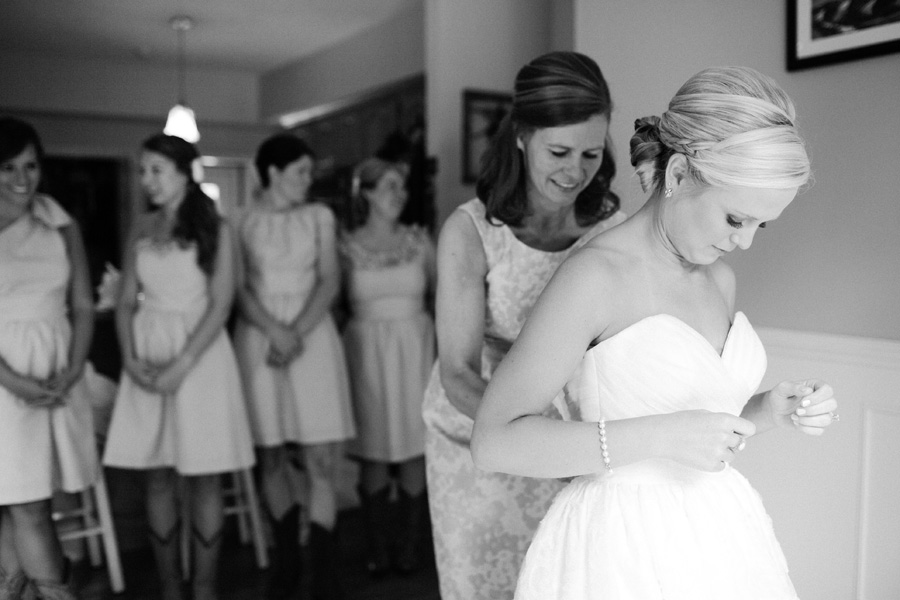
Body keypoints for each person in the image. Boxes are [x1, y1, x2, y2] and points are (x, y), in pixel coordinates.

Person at [471, 66, 840, 599]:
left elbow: (701, 426)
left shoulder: (720, 279)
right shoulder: (594, 278)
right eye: (736, 218)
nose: (746, 243)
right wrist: (661, 435)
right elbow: (494, 440)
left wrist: (765, 413)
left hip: (719, 538)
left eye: (764, 224)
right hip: (619, 551)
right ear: (680, 174)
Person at [421, 51, 627, 600]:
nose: (575, 171)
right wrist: (534, 441)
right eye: (558, 151)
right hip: (476, 434)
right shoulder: (471, 231)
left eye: (590, 153)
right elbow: (458, 370)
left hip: (577, 442)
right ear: (521, 137)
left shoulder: (611, 227)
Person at [103, 133, 254, 600]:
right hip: (147, 350)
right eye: (143, 171)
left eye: (155, 170)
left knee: (205, 474)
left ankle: (204, 588)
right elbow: (127, 299)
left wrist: (182, 365)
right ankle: (171, 586)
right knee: (157, 472)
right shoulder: (142, 226)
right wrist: (129, 356)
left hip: (201, 355)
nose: (146, 180)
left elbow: (222, 302)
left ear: (185, 172)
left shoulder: (219, 228)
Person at [233, 133, 354, 600]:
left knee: (323, 459)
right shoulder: (240, 220)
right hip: (260, 337)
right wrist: (273, 331)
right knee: (272, 453)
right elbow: (238, 288)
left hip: (313, 336)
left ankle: (323, 572)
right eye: (300, 171)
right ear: (272, 173)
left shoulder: (319, 216)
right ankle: (286, 561)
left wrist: (295, 331)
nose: (308, 180)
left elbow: (329, 281)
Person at [0, 117, 97, 600]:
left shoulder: (60, 222)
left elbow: (82, 304)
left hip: (58, 369)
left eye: (31, 165)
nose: (23, 178)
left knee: (27, 505)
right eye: (8, 167)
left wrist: (75, 366)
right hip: (3, 379)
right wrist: (12, 381)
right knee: (24, 506)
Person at [338, 157, 436, 577]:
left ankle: (409, 546)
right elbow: (336, 305)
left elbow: (439, 296)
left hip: (415, 348)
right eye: (390, 186)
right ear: (367, 193)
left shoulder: (420, 241)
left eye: (403, 186)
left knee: (415, 447)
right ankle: (378, 546)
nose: (400, 195)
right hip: (365, 353)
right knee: (374, 451)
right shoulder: (345, 245)